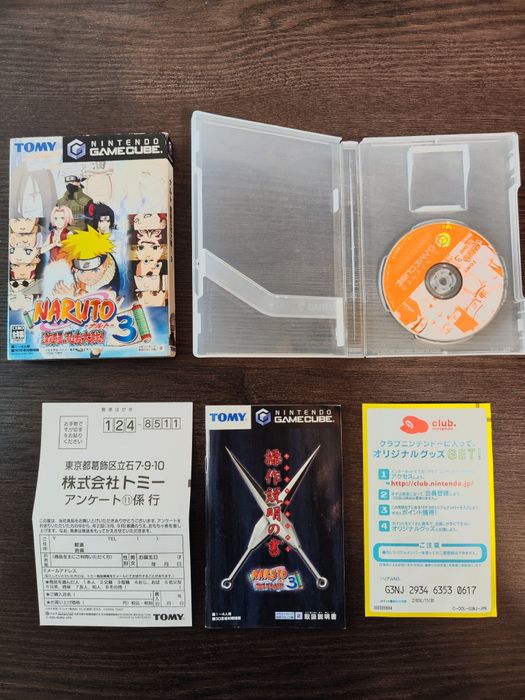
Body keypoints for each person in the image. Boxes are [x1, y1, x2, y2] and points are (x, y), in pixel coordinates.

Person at [54, 226, 120, 296]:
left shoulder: (108, 286)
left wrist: (73, 298)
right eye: (82, 271)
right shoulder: (73, 266)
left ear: (105, 266)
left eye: (95, 270)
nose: (88, 276)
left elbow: (108, 297)